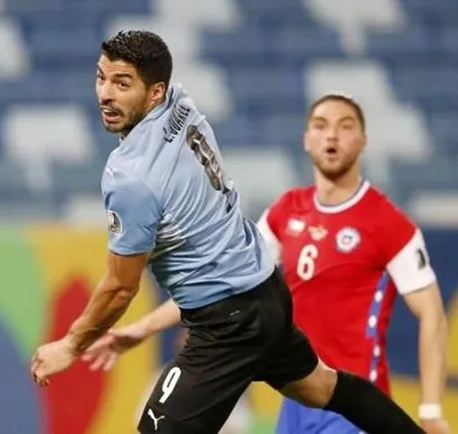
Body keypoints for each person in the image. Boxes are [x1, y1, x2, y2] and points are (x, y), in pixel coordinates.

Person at [29, 30, 426, 433]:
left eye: (122, 83)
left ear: (155, 93)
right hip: (266, 292)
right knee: (324, 387)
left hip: (226, 323)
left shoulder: (130, 177)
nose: (106, 94)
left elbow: (119, 287)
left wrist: (71, 344)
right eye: (101, 78)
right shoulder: (180, 103)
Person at [81, 94, 451, 434]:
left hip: (349, 405)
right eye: (321, 126)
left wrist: (432, 407)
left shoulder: (388, 223)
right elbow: (222, 285)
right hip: (296, 401)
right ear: (306, 139)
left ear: (363, 141)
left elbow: (432, 314)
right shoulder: (286, 212)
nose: (332, 136)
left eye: (346, 125)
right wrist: (139, 331)